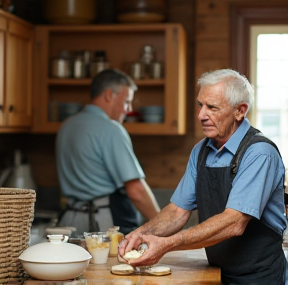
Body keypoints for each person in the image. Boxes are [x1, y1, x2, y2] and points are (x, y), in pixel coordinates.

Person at [119, 69, 288, 285]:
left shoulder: (259, 153)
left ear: (240, 111)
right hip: (217, 272)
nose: (201, 115)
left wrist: (168, 244)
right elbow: (177, 212)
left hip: (259, 277)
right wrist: (139, 235)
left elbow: (233, 223)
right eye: (201, 105)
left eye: (212, 107)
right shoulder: (201, 151)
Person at [56, 68, 160, 236]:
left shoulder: (66, 126)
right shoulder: (111, 129)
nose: (129, 109)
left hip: (69, 220)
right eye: (127, 101)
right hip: (103, 223)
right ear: (109, 95)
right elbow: (136, 191)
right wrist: (162, 225)